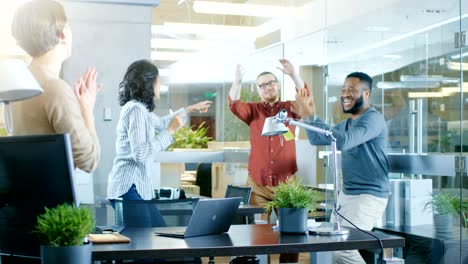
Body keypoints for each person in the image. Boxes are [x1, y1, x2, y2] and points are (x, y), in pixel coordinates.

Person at [294, 72, 389, 264]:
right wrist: (308, 116)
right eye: (343, 90)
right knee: (329, 246)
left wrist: (310, 114)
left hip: (369, 196)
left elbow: (345, 141)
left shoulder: (373, 119)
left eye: (352, 90)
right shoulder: (347, 124)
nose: (345, 94)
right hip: (346, 195)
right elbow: (317, 138)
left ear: (367, 94)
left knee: (341, 250)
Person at [107, 59, 212, 227]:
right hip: (129, 188)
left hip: (135, 189)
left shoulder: (140, 109)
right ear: (148, 83)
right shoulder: (136, 110)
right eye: (158, 81)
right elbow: (140, 153)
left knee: (155, 237)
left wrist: (189, 109)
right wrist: (170, 132)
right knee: (147, 243)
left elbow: (162, 123)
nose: (160, 85)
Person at [228, 59, 307, 263]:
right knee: (257, 235)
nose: (267, 87)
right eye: (262, 85)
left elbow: (306, 98)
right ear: (258, 90)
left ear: (278, 85)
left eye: (270, 83)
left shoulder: (291, 109)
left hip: (286, 183)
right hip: (257, 183)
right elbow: (234, 105)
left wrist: (294, 75)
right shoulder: (253, 111)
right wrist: (237, 81)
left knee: (291, 234)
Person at [11, 0, 101, 173]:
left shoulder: (19, 84)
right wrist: (87, 109)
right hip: (53, 199)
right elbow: (89, 161)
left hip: (25, 195)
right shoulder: (55, 89)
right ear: (62, 35)